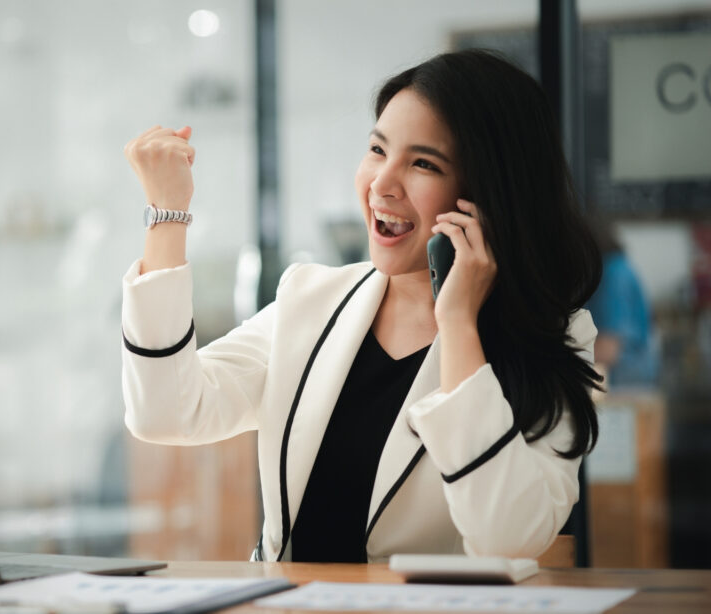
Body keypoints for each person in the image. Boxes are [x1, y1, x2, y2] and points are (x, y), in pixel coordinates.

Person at [119, 49, 603, 563]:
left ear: (488, 192)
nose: (381, 184)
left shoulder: (555, 335)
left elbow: (507, 538)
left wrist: (459, 323)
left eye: (423, 163)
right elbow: (166, 413)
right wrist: (167, 218)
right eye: (377, 149)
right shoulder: (312, 299)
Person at [587, 216, 659, 387]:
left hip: (628, 383)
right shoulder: (615, 269)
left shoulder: (613, 274)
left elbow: (608, 348)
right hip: (627, 378)